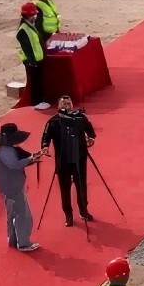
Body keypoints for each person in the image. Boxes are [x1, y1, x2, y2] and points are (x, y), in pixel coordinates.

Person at [39, 95, 97, 227]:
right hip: (63, 159)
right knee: (64, 188)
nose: (66, 105)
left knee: (81, 186)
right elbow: (46, 136)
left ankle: (83, 211)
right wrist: (45, 146)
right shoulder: (54, 121)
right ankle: (68, 215)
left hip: (79, 158)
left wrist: (91, 138)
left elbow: (90, 131)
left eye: (68, 103)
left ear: (72, 104)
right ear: (59, 106)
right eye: (63, 103)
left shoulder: (80, 118)